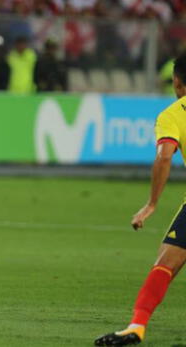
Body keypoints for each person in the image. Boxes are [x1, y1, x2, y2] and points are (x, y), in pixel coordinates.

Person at [94, 53, 186, 346]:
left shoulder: (174, 113)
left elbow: (163, 157)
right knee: (167, 257)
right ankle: (137, 326)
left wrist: (152, 203)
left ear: (177, 81)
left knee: (164, 263)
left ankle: (138, 326)